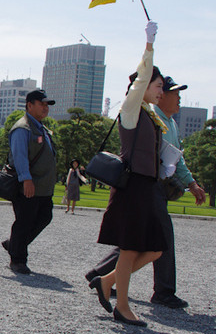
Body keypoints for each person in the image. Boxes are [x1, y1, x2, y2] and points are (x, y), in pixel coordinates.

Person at [85, 74, 208, 308]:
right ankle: (161, 290)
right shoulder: (148, 116)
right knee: (156, 241)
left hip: (153, 184)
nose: (177, 98)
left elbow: (176, 158)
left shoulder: (166, 122)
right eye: (171, 91)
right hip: (146, 185)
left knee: (136, 242)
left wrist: (191, 183)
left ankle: (101, 277)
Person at [88, 21, 167, 327]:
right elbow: (142, 76)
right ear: (143, 86)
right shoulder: (132, 108)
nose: (161, 91)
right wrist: (149, 45)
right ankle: (121, 305)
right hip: (133, 185)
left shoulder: (150, 115)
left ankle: (107, 282)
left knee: (155, 248)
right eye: (158, 85)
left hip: (146, 185)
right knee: (132, 247)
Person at [0, 90, 57, 275]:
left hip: (43, 186)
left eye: (47, 105)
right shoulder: (22, 128)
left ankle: (14, 244)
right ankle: (17, 260)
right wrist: (26, 179)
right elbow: (20, 155)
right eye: (42, 104)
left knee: (44, 217)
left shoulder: (40, 128)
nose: (45, 108)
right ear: (29, 105)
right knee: (24, 221)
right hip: (28, 184)